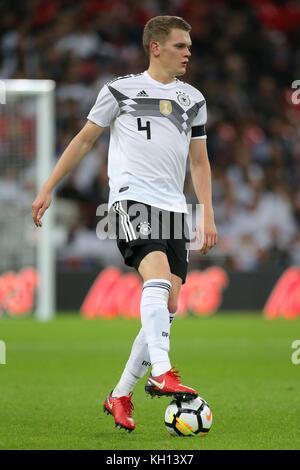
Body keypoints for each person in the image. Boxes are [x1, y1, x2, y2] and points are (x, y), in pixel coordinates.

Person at [32, 15, 218, 433]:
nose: (188, 51)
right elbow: (84, 139)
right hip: (131, 200)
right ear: (155, 47)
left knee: (168, 306)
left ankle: (120, 394)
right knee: (154, 279)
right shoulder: (119, 90)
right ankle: (163, 371)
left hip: (174, 209)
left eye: (189, 45)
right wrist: (48, 187)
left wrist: (206, 210)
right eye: (180, 45)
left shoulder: (194, 99)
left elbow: (199, 160)